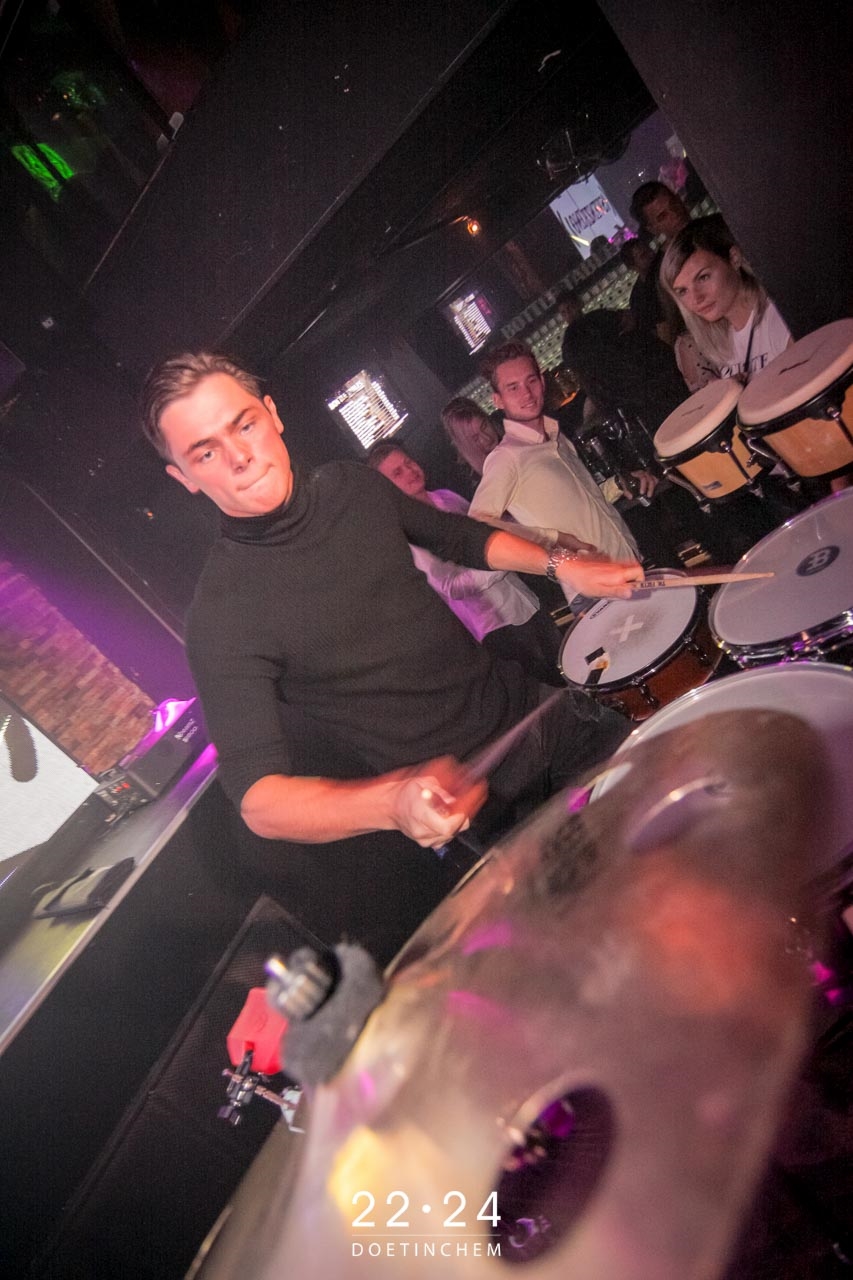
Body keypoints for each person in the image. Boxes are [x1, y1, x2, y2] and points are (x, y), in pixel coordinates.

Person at [141, 352, 642, 862]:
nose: (239, 457)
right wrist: (391, 802)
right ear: (184, 477)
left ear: (272, 413)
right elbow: (258, 798)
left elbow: (457, 536)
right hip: (480, 805)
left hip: (543, 713)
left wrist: (560, 564)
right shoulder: (222, 616)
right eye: (206, 453)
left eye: (244, 425)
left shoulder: (351, 486)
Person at [366, 441, 564, 685]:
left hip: (522, 598)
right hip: (498, 625)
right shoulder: (410, 536)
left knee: (567, 664)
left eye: (408, 462)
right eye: (398, 472)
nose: (410, 471)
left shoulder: (445, 498)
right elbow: (449, 587)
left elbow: (484, 533)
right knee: (551, 686)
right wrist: (498, 562)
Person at [467, 341, 644, 602]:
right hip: (592, 592)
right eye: (513, 387)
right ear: (498, 400)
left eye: (531, 381)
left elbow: (584, 502)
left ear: (542, 381)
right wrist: (555, 538)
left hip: (628, 564)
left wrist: (619, 484)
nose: (527, 394)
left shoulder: (557, 437)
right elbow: (478, 525)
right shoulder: (506, 458)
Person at [660, 216, 792, 383]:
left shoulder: (778, 318)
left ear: (734, 258)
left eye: (703, 277)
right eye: (683, 291)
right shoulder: (722, 342)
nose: (696, 298)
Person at [629, 181, 691, 345]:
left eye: (673, 204)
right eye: (663, 216)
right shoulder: (658, 277)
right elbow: (667, 332)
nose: (675, 214)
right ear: (652, 228)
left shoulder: (713, 227)